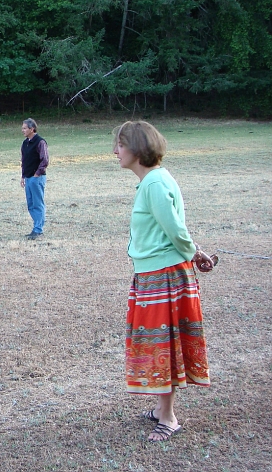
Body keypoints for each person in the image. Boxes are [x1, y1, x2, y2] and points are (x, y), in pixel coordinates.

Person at [113, 120, 216, 443]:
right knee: (156, 343)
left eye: (120, 145)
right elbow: (172, 228)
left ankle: (169, 417)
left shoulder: (155, 183)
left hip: (164, 275)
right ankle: (161, 409)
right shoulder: (153, 181)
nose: (115, 151)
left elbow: (174, 229)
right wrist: (194, 251)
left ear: (138, 148)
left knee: (163, 345)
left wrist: (193, 252)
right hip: (153, 273)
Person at [20, 118, 49, 239]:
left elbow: (45, 159)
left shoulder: (40, 142)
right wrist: (23, 176)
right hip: (28, 177)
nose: (23, 130)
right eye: (23, 128)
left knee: (38, 204)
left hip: (36, 178)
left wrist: (37, 174)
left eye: (25, 128)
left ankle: (38, 229)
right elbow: (24, 161)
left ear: (32, 129)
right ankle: (36, 227)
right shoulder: (25, 143)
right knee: (31, 204)